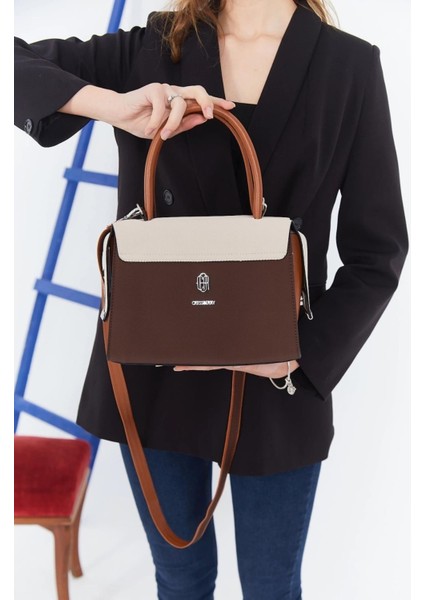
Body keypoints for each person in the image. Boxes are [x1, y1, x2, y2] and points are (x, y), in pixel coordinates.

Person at [14, 0, 409, 598]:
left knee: (272, 587)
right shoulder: (152, 45)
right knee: (180, 579)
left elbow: (377, 252)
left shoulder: (349, 66)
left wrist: (299, 356)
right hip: (155, 368)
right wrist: (116, 108)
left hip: (280, 379)